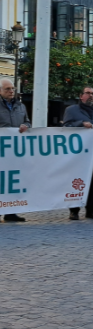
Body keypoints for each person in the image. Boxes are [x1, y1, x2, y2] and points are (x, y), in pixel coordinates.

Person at [62, 86, 93, 220]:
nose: (91, 96)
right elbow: (66, 128)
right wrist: (81, 124)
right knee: (76, 180)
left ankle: (91, 209)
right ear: (81, 96)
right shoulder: (71, 110)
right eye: (88, 93)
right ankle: (74, 210)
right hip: (78, 154)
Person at [0, 77, 30, 222]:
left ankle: (11, 212)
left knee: (14, 181)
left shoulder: (21, 106)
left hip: (16, 151)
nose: (11, 91)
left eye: (12, 88)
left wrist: (26, 126)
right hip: (1, 151)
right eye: (7, 89)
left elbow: (28, 122)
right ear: (0, 91)